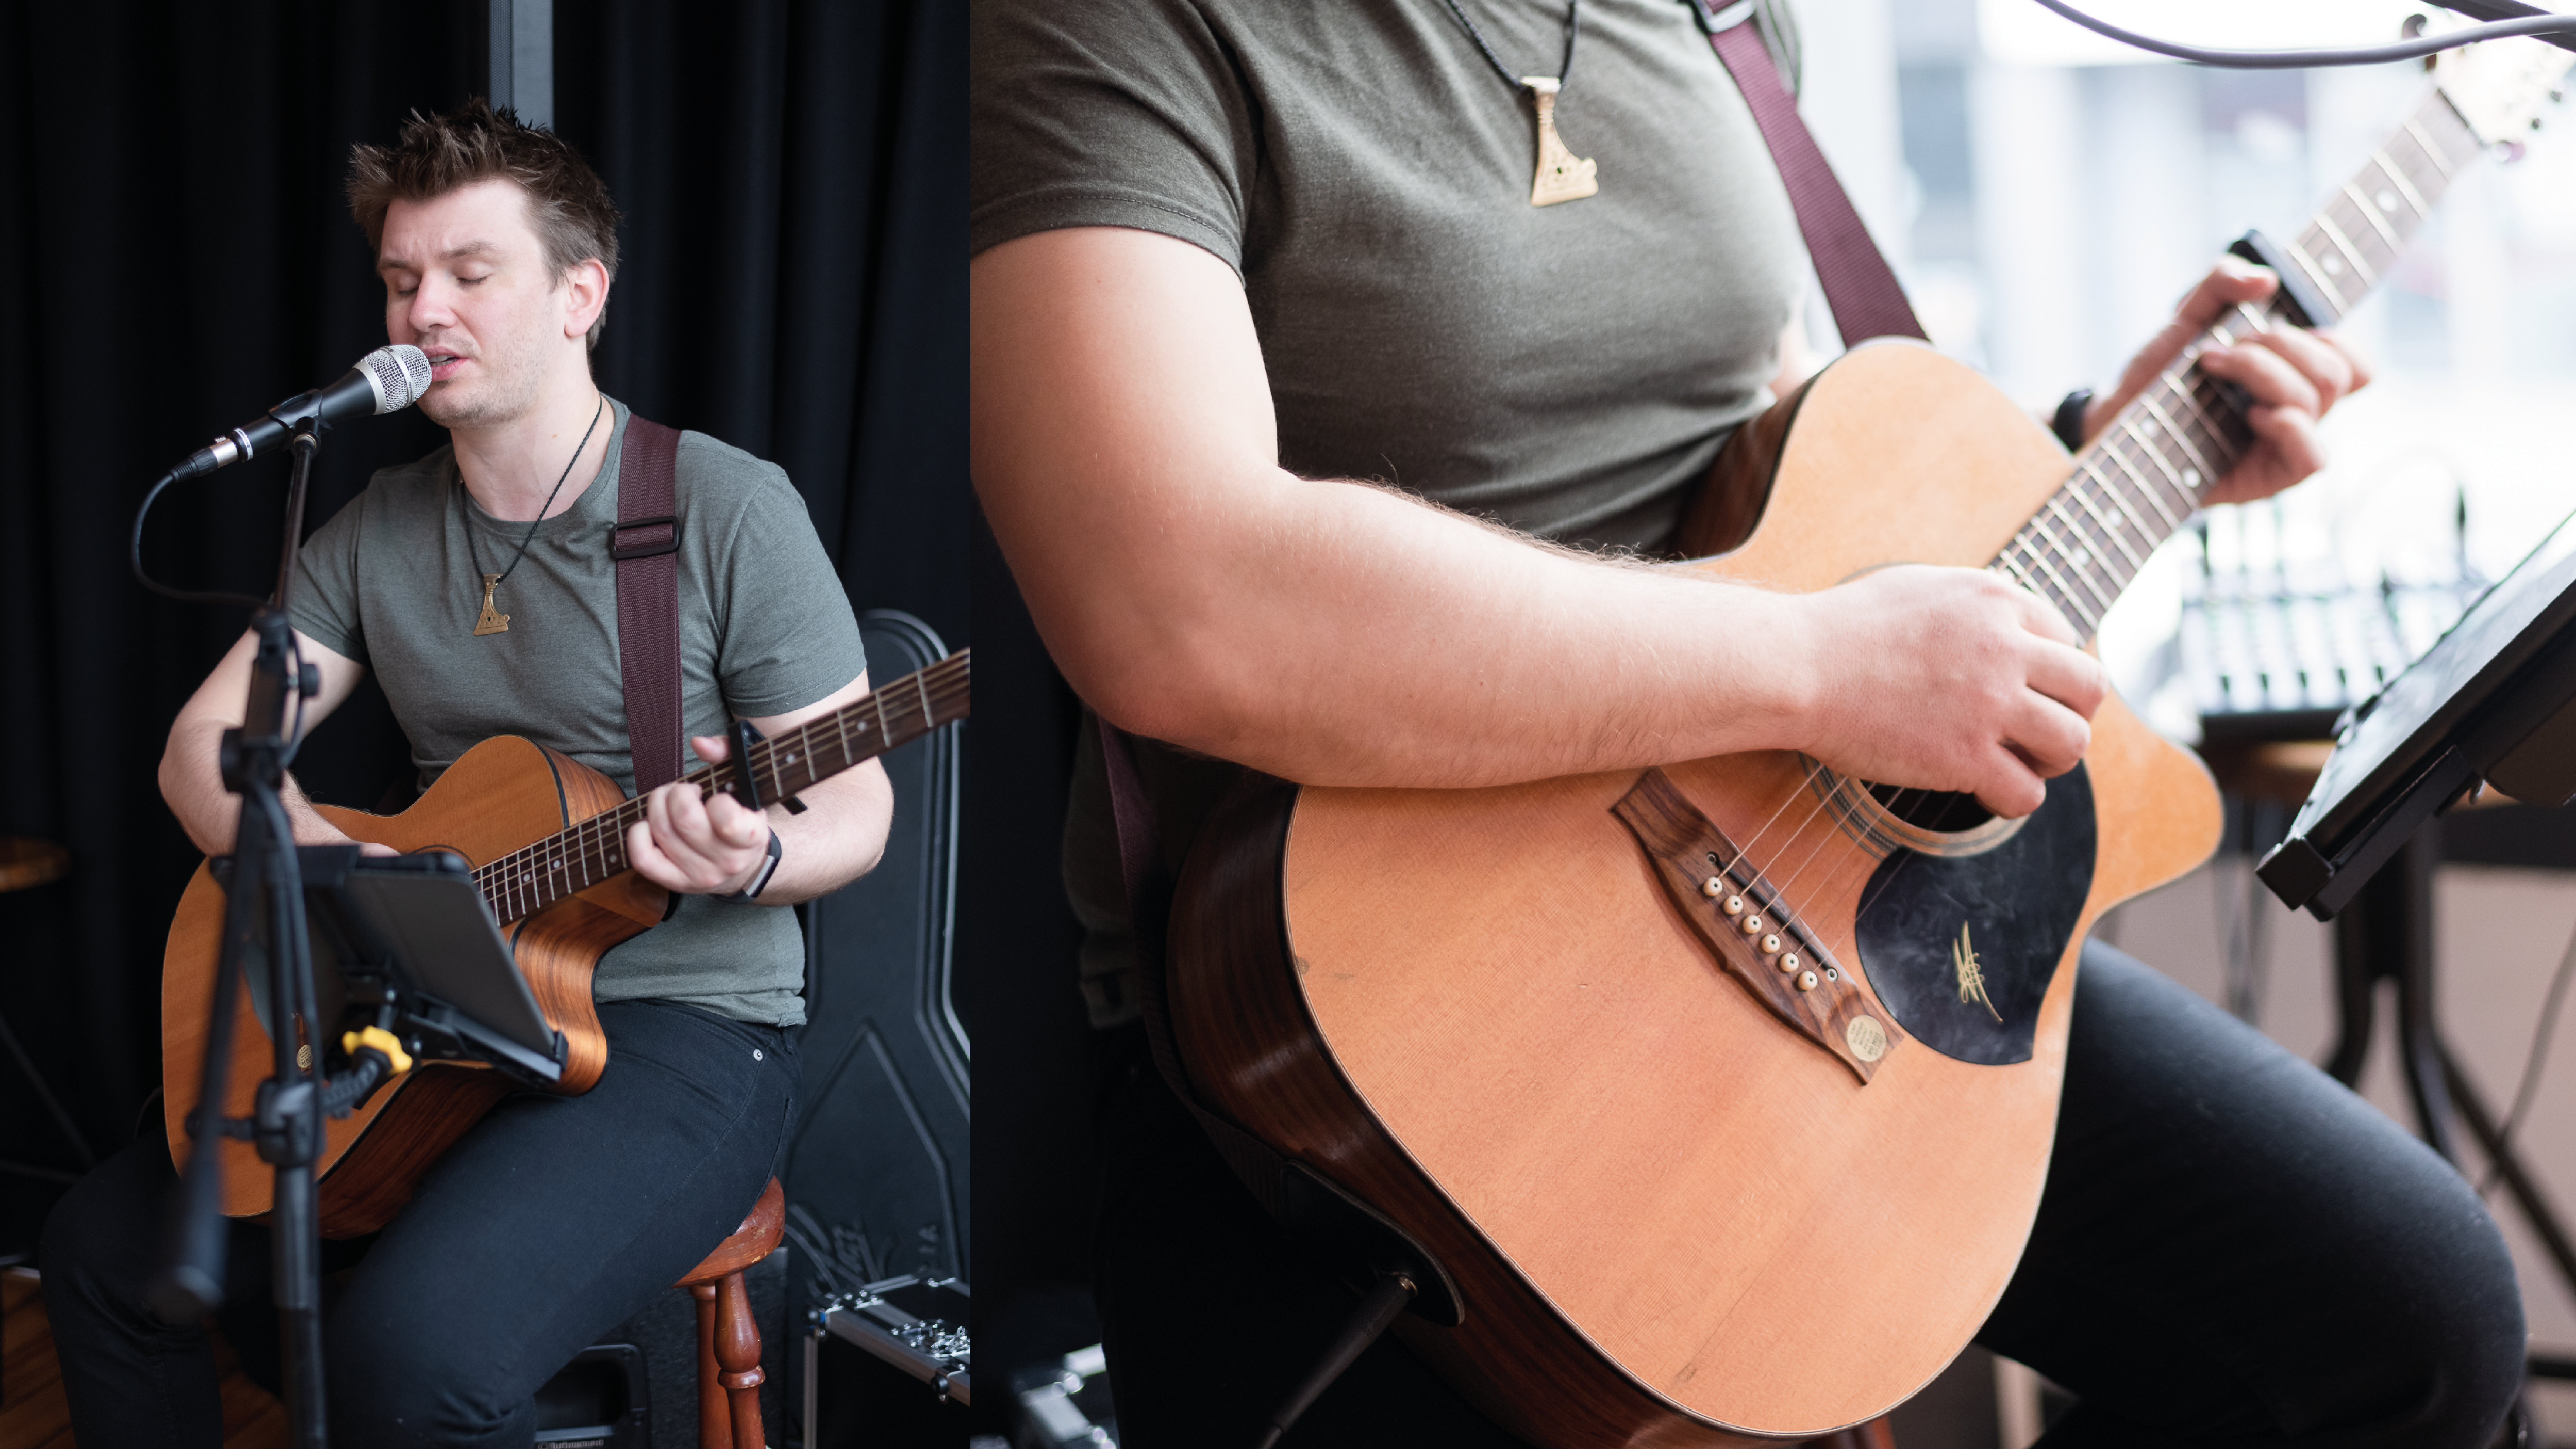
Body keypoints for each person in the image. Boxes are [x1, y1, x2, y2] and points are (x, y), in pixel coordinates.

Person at [970, 1, 2526, 1444]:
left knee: (2408, 1327)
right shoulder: (1126, 24)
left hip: (1784, 900)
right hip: (1355, 1046)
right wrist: (1818, 663)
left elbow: (1783, 486)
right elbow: (1175, 606)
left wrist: (2088, 453)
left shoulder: (1707, 13)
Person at [42, 100, 893, 1445]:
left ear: (579, 296)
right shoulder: (376, 527)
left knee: (411, 1361)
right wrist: (337, 866)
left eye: (465, 273)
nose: (418, 310)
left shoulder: (721, 507)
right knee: (100, 1254)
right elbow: (201, 752)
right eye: (398, 281)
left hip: (681, 1024)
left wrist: (766, 852)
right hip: (437, 1015)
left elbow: (855, 801)